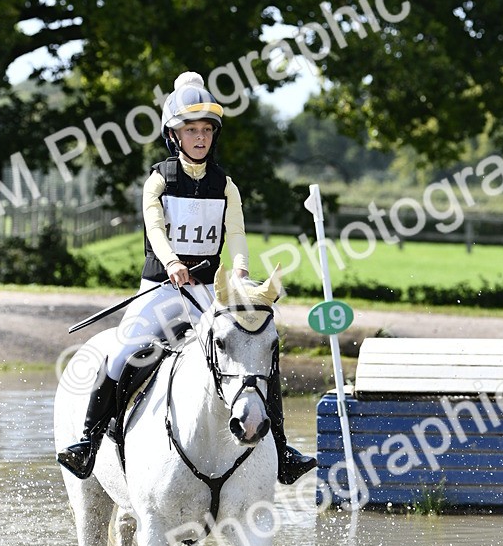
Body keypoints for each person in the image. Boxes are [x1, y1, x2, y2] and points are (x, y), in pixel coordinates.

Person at [57, 70, 316, 484]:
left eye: (206, 130)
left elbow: (236, 233)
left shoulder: (225, 185)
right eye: (191, 130)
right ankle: (87, 444)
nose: (200, 137)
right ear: (174, 135)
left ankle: (282, 451)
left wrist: (241, 267)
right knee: (122, 354)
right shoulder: (159, 180)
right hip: (161, 289)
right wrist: (172, 262)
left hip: (207, 294)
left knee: (257, 355)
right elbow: (155, 229)